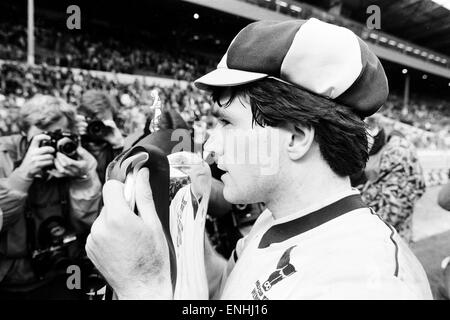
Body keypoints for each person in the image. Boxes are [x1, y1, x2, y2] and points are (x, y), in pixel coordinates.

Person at [86, 18, 432, 299]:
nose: (209, 148)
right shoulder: (277, 218)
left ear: (296, 137)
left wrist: (142, 286)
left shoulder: (368, 283)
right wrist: (186, 228)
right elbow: (236, 292)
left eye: (227, 124)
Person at [0, 95, 102, 299]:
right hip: (12, 280)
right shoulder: (3, 156)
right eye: (44, 140)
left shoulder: (79, 158)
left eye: (59, 137)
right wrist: (22, 175)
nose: (52, 147)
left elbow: (86, 223)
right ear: (23, 133)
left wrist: (83, 179)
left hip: (63, 272)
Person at [351, 116, 426, 244]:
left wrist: (358, 181)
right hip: (367, 237)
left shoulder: (399, 150)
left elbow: (393, 212)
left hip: (389, 242)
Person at [77, 90, 125, 184]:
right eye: (93, 123)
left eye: (103, 123)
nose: (98, 128)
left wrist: (119, 147)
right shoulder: (76, 140)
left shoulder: (122, 140)